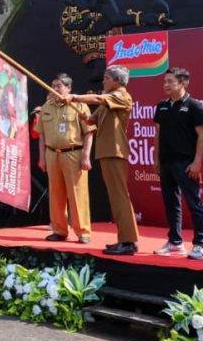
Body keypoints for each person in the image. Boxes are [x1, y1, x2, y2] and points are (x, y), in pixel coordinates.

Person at [68, 65, 138, 255]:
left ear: (117, 81)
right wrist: (83, 115)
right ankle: (125, 239)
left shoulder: (121, 95)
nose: (104, 81)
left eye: (107, 78)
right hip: (106, 151)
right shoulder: (108, 100)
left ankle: (128, 242)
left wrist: (73, 97)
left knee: (119, 196)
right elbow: (92, 120)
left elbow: (98, 99)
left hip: (115, 150)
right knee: (115, 197)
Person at [153, 67, 203, 260]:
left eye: (170, 81)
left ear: (183, 83)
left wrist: (197, 162)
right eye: (165, 81)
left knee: (194, 202)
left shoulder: (194, 106)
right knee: (171, 203)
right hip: (166, 162)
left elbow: (202, 135)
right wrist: (156, 159)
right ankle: (175, 242)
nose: (166, 85)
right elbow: (158, 134)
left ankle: (201, 244)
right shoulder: (161, 106)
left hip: (186, 163)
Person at [36, 73, 95, 244]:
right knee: (56, 193)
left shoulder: (79, 106)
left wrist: (86, 156)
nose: (55, 89)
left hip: (73, 153)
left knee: (77, 193)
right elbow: (41, 135)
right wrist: (42, 157)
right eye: (53, 85)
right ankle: (59, 230)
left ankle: (83, 232)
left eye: (59, 86)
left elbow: (89, 132)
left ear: (69, 88)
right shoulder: (46, 106)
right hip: (52, 153)